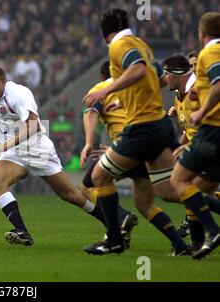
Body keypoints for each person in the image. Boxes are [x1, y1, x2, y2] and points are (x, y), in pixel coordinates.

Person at [83, 8, 189, 255]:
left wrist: (103, 94)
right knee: (160, 196)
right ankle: (182, 243)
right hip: (158, 129)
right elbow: (159, 76)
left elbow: (91, 112)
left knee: (93, 181)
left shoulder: (116, 56)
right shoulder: (142, 45)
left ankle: (114, 236)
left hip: (135, 137)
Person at [0, 66, 112, 247]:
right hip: (13, 154)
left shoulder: (18, 94)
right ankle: (22, 231)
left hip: (37, 150)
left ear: (4, 83)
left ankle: (112, 223)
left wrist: (3, 145)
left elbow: (33, 126)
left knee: (70, 195)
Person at [170, 12, 220, 259]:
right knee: (199, 191)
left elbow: (219, 85)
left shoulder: (210, 52)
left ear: (202, 34)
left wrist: (201, 111)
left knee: (179, 181)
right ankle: (200, 241)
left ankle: (212, 230)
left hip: (212, 128)